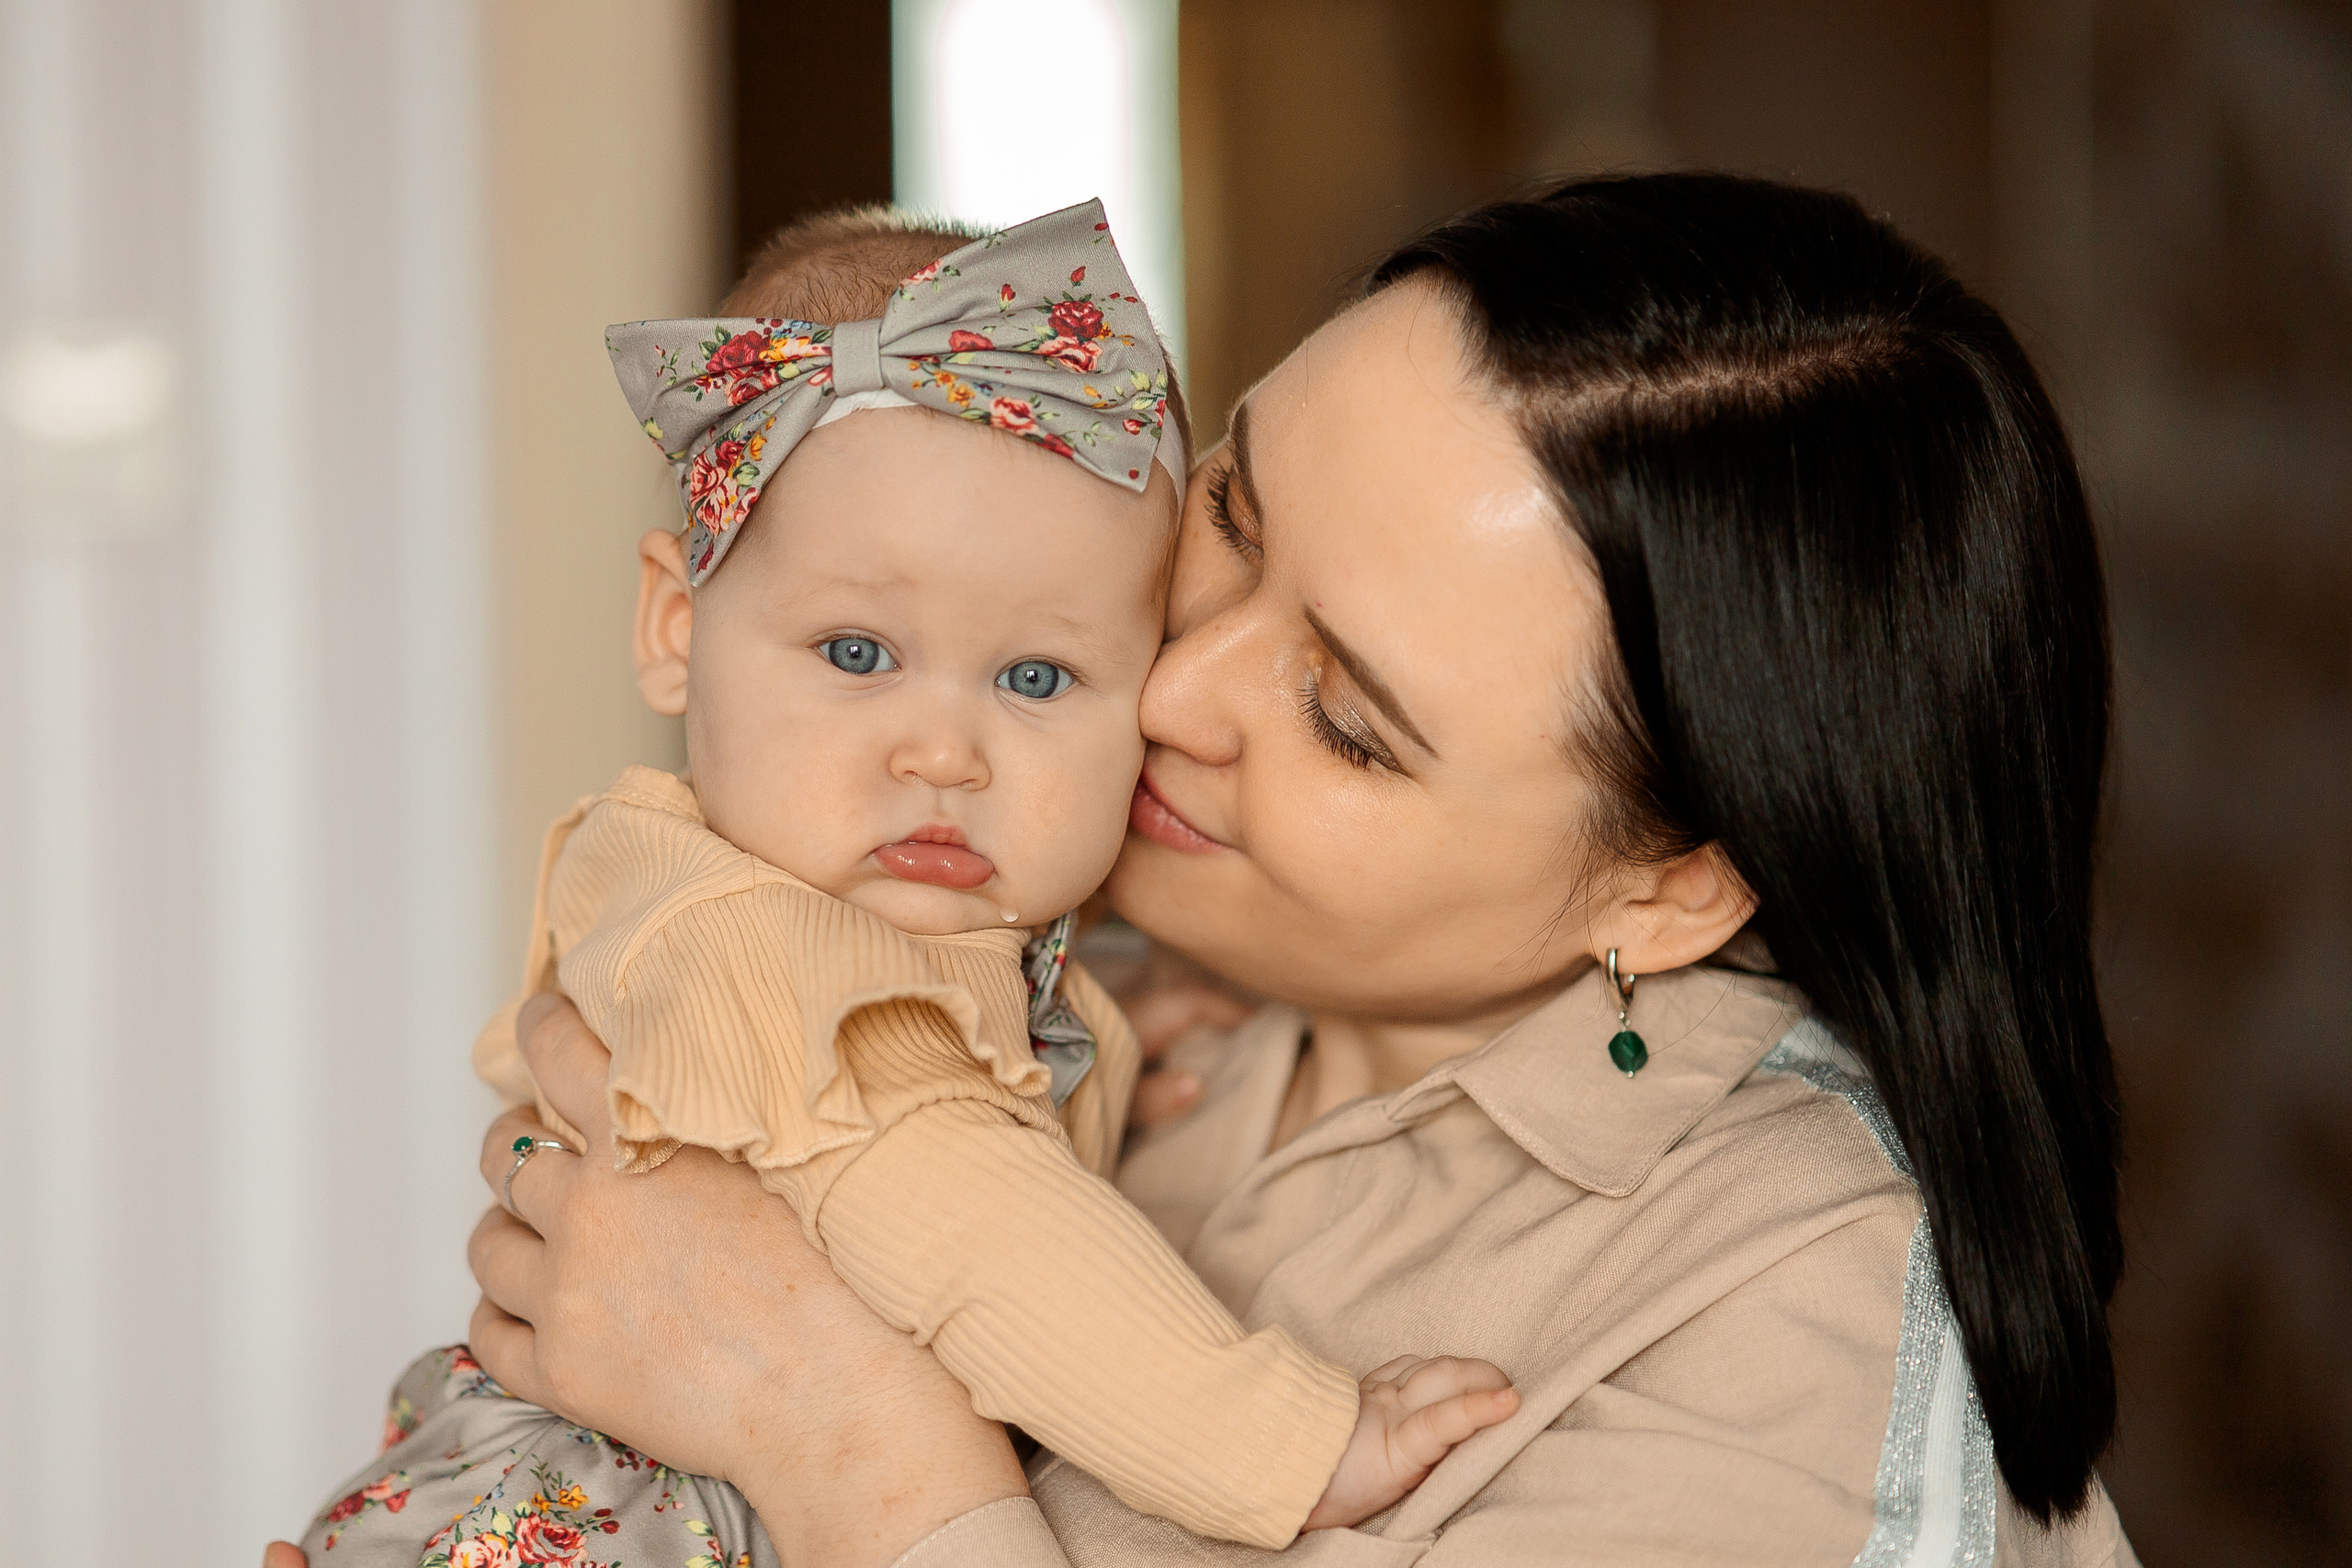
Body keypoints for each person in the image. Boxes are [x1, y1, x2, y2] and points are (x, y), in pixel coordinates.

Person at [273, 170, 2143, 1567]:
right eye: (1223, 517)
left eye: (1344, 716)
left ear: (1661, 885)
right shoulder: (1076, 966)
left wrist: (840, 1432)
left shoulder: (1782, 1326)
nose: (1162, 682)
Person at [293, 201, 1512, 1565]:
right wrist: (1291, 1445)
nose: (943, 752)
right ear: (675, 629)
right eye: (858, 654)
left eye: (1035, 678)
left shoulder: (736, 887)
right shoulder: (773, 953)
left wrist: (1088, 1028)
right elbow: (985, 1242)